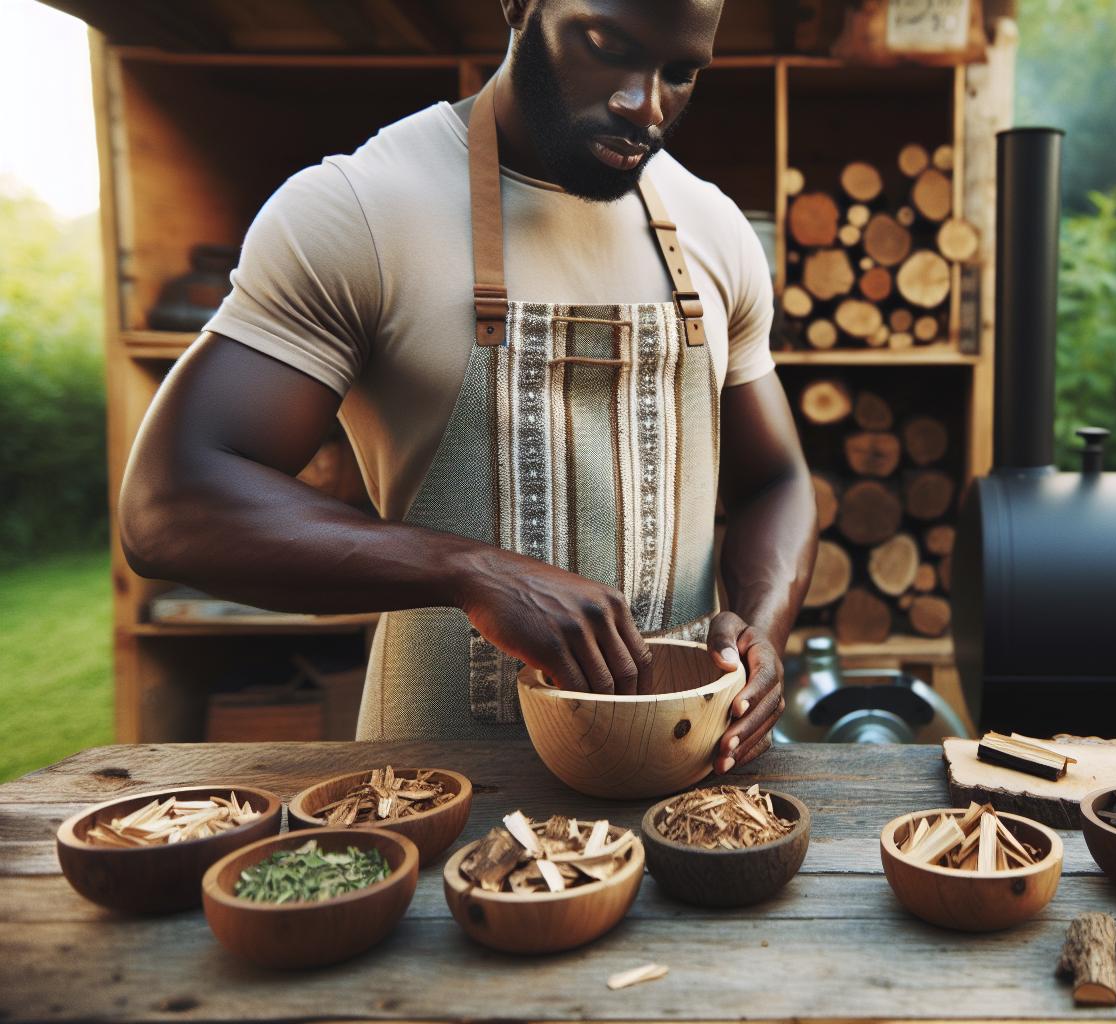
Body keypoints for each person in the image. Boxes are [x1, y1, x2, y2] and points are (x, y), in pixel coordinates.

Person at [117, 0, 817, 772]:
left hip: (681, 788)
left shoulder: (714, 231)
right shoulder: (360, 211)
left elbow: (777, 480)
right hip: (431, 796)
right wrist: (472, 570)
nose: (643, 103)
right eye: (606, 44)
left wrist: (760, 626)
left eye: (679, 73)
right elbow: (169, 503)